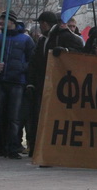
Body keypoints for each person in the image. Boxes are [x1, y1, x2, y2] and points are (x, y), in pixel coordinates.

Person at [26, 11, 84, 156]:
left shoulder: (63, 36)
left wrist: (65, 50)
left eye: (40, 24)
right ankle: (37, 148)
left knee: (54, 117)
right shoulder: (42, 40)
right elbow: (35, 63)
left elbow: (80, 49)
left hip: (58, 84)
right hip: (42, 84)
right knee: (38, 117)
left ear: (44, 24)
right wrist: (31, 82)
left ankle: (52, 149)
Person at [0, 11, 34, 159]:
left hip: (17, 82)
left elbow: (32, 60)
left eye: (4, 20)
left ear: (11, 21)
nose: (1, 23)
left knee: (14, 117)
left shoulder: (26, 40)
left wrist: (21, 69)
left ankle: (12, 147)